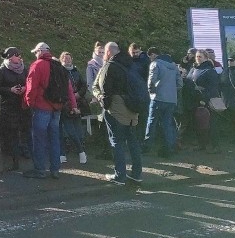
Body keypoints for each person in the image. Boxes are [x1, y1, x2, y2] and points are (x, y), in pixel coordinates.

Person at [23, 42, 76, 179]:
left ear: (40, 51)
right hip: (57, 108)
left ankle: (40, 170)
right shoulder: (58, 66)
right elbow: (68, 88)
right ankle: (55, 169)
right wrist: (73, 105)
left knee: (39, 139)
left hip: (41, 107)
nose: (35, 55)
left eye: (36, 52)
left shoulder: (37, 65)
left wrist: (29, 103)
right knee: (54, 139)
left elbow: (31, 87)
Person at [93, 42, 142, 185]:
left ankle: (120, 175)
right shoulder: (131, 65)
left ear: (108, 52)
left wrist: (103, 102)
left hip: (116, 110)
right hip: (133, 109)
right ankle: (137, 174)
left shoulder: (109, 66)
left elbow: (103, 89)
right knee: (133, 142)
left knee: (117, 142)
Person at [0, 47, 29, 170]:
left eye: (19, 54)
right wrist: (10, 90)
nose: (19, 56)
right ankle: (13, 160)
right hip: (8, 106)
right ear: (10, 57)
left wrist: (24, 88)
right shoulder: (2, 70)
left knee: (24, 130)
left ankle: (24, 153)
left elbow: (29, 82)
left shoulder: (24, 69)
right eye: (16, 54)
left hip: (22, 105)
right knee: (11, 133)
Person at [144, 49, 181, 157]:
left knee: (152, 122)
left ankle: (147, 146)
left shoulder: (155, 64)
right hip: (171, 99)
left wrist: (152, 93)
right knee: (167, 124)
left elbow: (151, 81)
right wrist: (172, 91)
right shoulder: (174, 66)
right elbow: (180, 83)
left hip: (158, 98)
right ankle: (169, 148)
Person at [187, 49, 222, 153]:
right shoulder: (193, 69)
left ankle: (215, 146)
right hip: (194, 99)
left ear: (206, 58)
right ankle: (201, 144)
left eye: (200, 57)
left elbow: (213, 87)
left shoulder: (209, 70)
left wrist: (204, 99)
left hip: (206, 100)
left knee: (211, 123)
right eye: (197, 56)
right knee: (198, 123)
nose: (197, 59)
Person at [58, 52, 88, 165]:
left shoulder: (76, 71)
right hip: (65, 105)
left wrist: (78, 95)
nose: (67, 61)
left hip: (77, 103)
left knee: (77, 130)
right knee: (63, 130)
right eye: (65, 59)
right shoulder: (60, 72)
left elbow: (83, 85)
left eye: (69, 59)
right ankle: (63, 153)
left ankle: (80, 151)